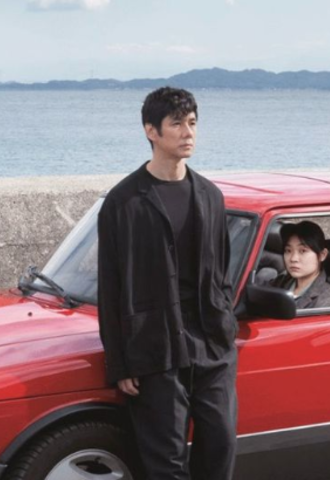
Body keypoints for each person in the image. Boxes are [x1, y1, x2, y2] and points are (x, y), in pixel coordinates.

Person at [97, 87, 238, 480]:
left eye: (192, 123)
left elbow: (221, 271)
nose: (187, 132)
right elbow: (110, 288)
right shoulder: (123, 202)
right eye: (176, 124)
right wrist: (119, 362)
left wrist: (224, 323)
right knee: (166, 462)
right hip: (155, 349)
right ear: (151, 131)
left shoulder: (210, 195)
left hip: (211, 344)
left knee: (221, 444)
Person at [271, 221, 330, 308]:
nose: (293, 259)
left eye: (303, 251)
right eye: (288, 251)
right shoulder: (280, 282)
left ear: (322, 255)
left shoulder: (329, 303)